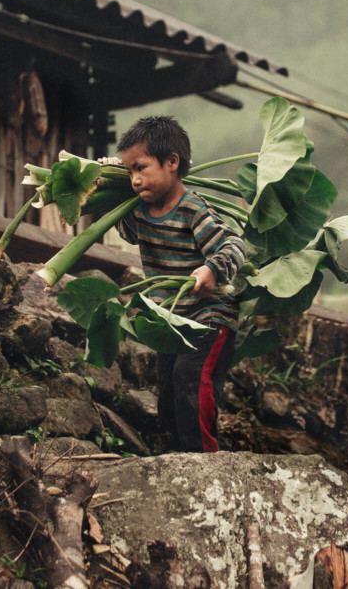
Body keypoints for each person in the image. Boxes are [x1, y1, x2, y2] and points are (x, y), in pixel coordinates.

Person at [102, 116, 245, 452]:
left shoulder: (192, 209)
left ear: (171, 162)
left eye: (140, 168)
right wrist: (110, 181)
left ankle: (206, 458)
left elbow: (233, 245)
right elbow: (126, 232)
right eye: (130, 172)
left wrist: (211, 269)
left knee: (190, 381)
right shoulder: (141, 212)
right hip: (171, 320)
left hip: (210, 315)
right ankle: (187, 451)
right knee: (168, 397)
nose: (135, 180)